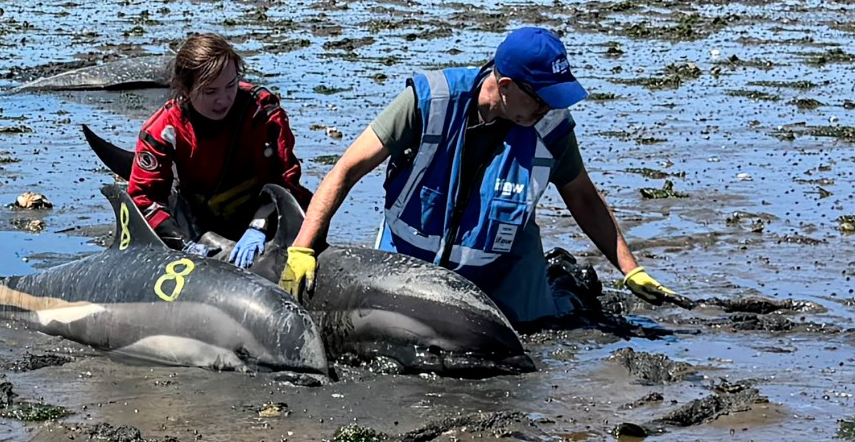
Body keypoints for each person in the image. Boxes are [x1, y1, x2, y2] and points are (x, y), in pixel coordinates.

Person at [277, 26, 677, 323]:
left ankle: (564, 286)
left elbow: (585, 199)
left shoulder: (551, 128)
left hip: (503, 270)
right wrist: (304, 246)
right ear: (504, 86)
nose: (547, 109)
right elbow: (346, 170)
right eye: (541, 98)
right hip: (409, 264)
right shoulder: (428, 103)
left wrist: (631, 269)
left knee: (544, 330)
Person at [127, 33, 306, 269]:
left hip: (264, 215)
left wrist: (259, 226)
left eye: (231, 85)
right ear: (185, 89)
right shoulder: (163, 129)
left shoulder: (261, 112)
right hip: (201, 223)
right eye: (210, 92)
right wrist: (182, 245)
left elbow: (285, 181)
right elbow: (143, 198)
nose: (223, 99)